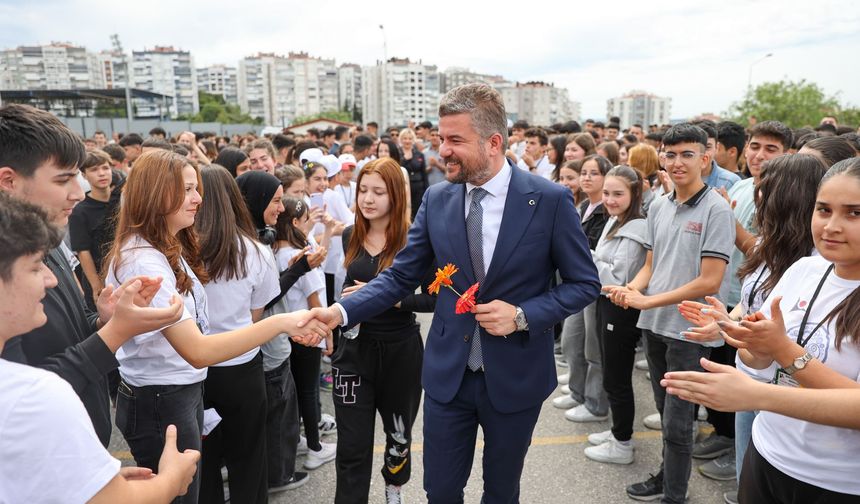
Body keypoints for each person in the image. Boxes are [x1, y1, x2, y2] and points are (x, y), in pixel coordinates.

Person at [299, 83, 600, 503]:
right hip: (448, 379)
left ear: (494, 142)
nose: (443, 151)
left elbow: (585, 283)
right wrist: (341, 311)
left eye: (455, 140)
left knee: (501, 491)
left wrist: (522, 315)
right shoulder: (438, 199)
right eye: (442, 139)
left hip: (515, 376)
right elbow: (400, 277)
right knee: (439, 490)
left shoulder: (547, 200)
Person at [104, 150, 330, 503]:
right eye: (189, 189)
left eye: (199, 189)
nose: (198, 199)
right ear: (156, 194)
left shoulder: (166, 248)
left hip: (178, 392)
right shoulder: (145, 261)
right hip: (165, 397)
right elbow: (197, 350)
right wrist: (282, 323)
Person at [0, 104, 184, 447]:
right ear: (9, 180)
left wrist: (103, 321)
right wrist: (114, 334)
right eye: (62, 179)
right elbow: (20, 396)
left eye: (77, 175)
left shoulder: (49, 236)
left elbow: (67, 334)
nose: (79, 191)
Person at [0, 193, 200, 503]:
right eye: (36, 266)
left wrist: (101, 322)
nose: (52, 279)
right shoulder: (33, 395)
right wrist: (173, 478)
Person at [704, 157, 860, 501]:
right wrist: (750, 342)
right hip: (769, 454)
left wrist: (778, 355)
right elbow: (754, 362)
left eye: (854, 213)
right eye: (823, 210)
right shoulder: (805, 269)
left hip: (838, 483)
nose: (832, 226)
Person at [677, 153, 827, 503]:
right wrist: (725, 322)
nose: (756, 198)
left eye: (765, 190)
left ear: (790, 199)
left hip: (785, 392)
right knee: (750, 474)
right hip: (752, 378)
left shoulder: (815, 265)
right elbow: (751, 305)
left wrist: (739, 331)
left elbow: (781, 334)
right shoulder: (767, 247)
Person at [605, 123, 735, 503]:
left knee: (680, 425)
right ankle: (667, 478)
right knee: (666, 416)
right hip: (656, 325)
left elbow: (710, 281)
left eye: (687, 154)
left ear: (705, 158)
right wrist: (633, 288)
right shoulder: (659, 204)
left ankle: (674, 495)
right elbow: (651, 264)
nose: (678, 162)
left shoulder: (717, 209)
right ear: (661, 158)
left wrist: (647, 300)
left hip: (690, 332)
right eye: (671, 154)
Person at [333, 158, 436, 503]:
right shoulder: (351, 234)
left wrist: (391, 299)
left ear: (396, 195)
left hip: (401, 355)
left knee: (399, 440)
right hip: (352, 355)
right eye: (363, 190)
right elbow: (348, 292)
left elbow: (435, 300)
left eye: (378, 191)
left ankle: (394, 489)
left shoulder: (416, 241)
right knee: (351, 448)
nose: (368, 199)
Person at [195, 165, 280, 503]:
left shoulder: (179, 250)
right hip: (242, 365)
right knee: (249, 460)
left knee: (205, 463)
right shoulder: (257, 251)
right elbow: (257, 314)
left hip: (196, 366)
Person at [583, 166, 648, 465]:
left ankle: (622, 443)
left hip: (620, 308)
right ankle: (617, 432)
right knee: (611, 373)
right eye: (607, 193)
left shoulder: (638, 228)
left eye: (617, 194)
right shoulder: (614, 220)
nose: (609, 199)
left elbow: (618, 279)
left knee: (617, 378)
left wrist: (588, 257)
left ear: (635, 193)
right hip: (605, 303)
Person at [272, 196, 338, 471]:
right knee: (310, 390)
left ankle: (301, 440)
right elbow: (314, 298)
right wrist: (326, 333)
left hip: (287, 331)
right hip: (308, 329)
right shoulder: (300, 256)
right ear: (296, 223)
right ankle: (315, 447)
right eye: (305, 220)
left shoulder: (276, 251)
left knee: (298, 389)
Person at [556, 155, 611, 422]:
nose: (586, 178)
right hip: (576, 284)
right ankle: (578, 392)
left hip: (595, 286)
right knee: (571, 342)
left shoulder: (608, 210)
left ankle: (595, 403)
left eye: (594, 173)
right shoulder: (585, 205)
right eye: (584, 173)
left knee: (593, 348)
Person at [69, 150, 114, 310]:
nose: (101, 174)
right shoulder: (80, 211)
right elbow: (83, 251)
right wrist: (96, 286)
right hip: (99, 277)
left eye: (105, 168)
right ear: (84, 175)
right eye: (94, 170)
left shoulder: (122, 201)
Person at [398, 128, 428, 219]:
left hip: (418, 189)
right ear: (401, 140)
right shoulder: (398, 153)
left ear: (413, 140)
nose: (407, 141)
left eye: (410, 138)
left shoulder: (419, 154)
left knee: (418, 213)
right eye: (405, 138)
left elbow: (424, 174)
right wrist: (404, 159)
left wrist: (426, 190)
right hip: (403, 187)